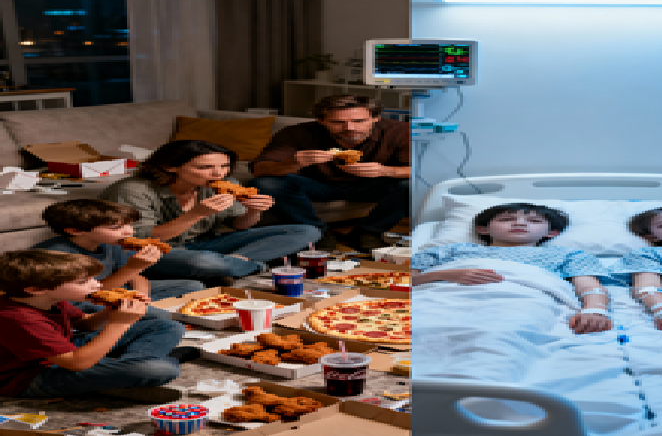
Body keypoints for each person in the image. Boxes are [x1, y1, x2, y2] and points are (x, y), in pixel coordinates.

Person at [98, 140, 321, 280]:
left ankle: (233, 264)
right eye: (205, 167)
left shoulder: (224, 183)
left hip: (207, 244)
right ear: (170, 167)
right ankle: (248, 265)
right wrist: (196, 214)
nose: (218, 174)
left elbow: (238, 225)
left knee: (307, 231)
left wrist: (252, 211)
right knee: (202, 262)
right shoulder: (133, 190)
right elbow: (138, 240)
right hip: (151, 251)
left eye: (224, 166)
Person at [0, 249, 190, 400]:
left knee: (168, 326)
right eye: (84, 281)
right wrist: (120, 323)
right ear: (36, 289)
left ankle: (118, 376)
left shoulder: (50, 300)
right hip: (29, 377)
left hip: (65, 353)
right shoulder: (18, 318)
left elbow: (85, 324)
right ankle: (122, 374)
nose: (97, 285)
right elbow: (77, 363)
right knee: (160, 369)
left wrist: (112, 310)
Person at [412, 203, 615, 335]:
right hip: (440, 299)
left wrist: (595, 310)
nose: (519, 223)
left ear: (552, 233)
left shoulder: (566, 254)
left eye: (534, 221)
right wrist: (443, 275)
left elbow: (589, 286)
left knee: (502, 332)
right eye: (505, 219)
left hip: (520, 302)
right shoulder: (451, 250)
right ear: (483, 229)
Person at [249, 94, 410, 252]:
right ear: (321, 120)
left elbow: (423, 170)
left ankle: (369, 232)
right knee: (265, 183)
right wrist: (295, 162)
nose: (350, 128)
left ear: (376, 118)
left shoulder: (400, 131)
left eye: (359, 121)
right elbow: (260, 170)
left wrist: (385, 170)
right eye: (337, 122)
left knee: (414, 184)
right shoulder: (295, 133)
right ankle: (318, 233)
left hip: (375, 185)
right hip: (318, 185)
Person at [32, 199, 205, 319]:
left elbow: (136, 277)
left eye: (129, 225)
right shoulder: (57, 255)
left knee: (193, 286)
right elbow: (88, 294)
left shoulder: (111, 243)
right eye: (116, 227)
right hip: (81, 302)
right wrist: (132, 268)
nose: (129, 231)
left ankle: (144, 312)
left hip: (117, 290)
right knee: (159, 314)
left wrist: (141, 297)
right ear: (75, 231)